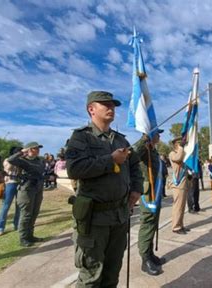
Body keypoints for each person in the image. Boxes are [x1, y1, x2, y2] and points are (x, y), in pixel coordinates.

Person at [65, 91, 143, 287]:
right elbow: (75, 169)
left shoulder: (121, 140)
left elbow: (134, 165)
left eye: (113, 105)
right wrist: (110, 160)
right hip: (94, 219)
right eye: (105, 104)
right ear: (91, 109)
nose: (111, 108)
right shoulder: (81, 138)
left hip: (119, 215)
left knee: (112, 271)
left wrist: (136, 189)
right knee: (91, 274)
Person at [134, 129, 166, 276]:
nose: (159, 136)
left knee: (152, 223)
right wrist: (144, 138)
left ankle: (150, 253)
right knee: (147, 224)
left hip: (156, 191)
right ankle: (145, 259)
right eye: (156, 133)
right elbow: (133, 153)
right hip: (148, 194)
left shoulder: (153, 151)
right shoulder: (143, 149)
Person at [7, 142, 45, 247]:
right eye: (34, 149)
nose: (37, 150)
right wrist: (21, 152)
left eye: (38, 148)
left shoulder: (40, 161)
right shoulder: (22, 161)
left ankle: (30, 236)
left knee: (34, 213)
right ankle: (23, 238)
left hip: (37, 188)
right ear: (28, 150)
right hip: (26, 189)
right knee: (26, 214)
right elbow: (10, 160)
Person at [0, 146, 22, 236]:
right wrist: (16, 158)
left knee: (19, 206)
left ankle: (17, 224)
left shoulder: (21, 161)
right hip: (10, 183)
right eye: (19, 152)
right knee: (6, 206)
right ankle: (0, 227)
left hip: (19, 183)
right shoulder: (8, 160)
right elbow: (9, 168)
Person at [169, 137, 191, 235]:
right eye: (180, 143)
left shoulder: (181, 153)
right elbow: (178, 158)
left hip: (183, 183)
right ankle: (176, 227)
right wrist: (181, 148)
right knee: (178, 206)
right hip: (178, 184)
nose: (182, 145)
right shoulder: (172, 153)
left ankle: (180, 225)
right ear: (176, 144)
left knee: (181, 207)